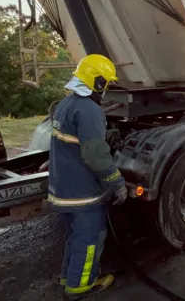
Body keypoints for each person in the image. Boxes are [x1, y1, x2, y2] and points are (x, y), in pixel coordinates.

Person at [48, 54, 127, 299]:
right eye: (107, 84)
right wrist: (117, 183)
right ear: (98, 82)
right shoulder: (89, 111)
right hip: (81, 192)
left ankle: (67, 276)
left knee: (75, 236)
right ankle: (81, 285)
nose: (107, 90)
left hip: (62, 189)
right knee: (90, 239)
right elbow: (96, 155)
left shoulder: (66, 104)